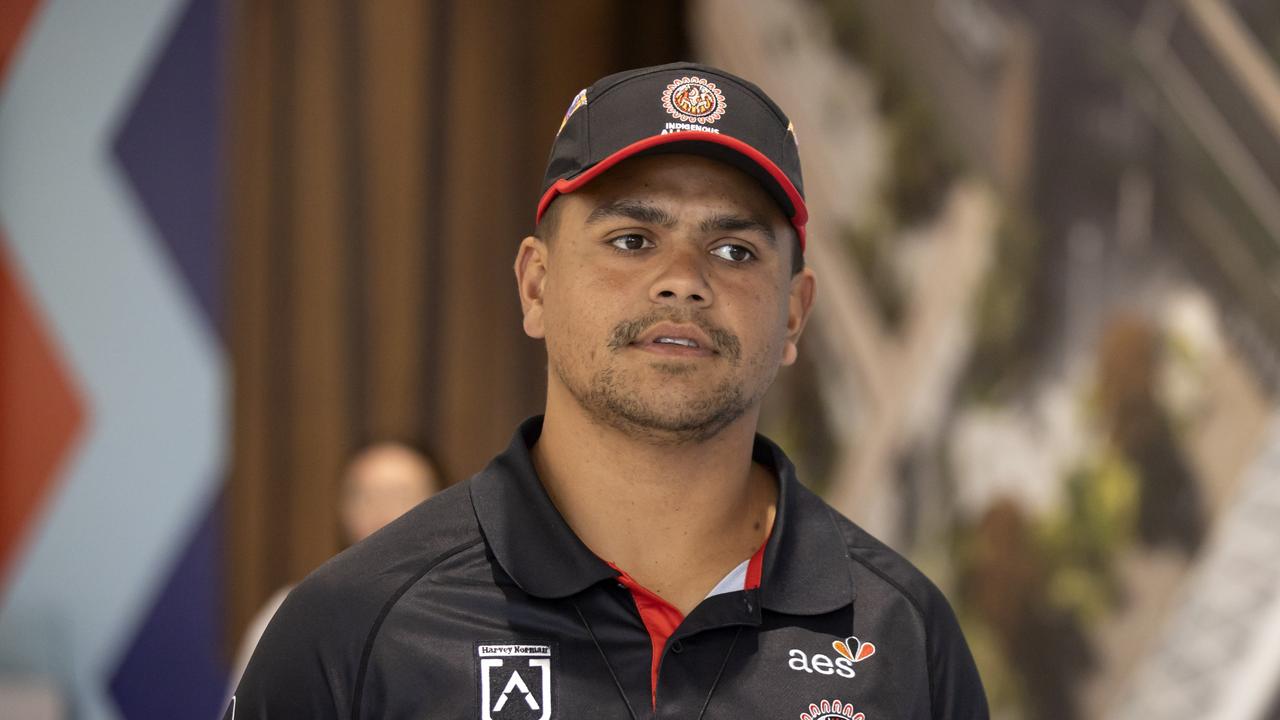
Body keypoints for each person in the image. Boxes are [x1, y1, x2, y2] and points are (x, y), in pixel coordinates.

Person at [227, 62, 988, 719]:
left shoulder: (905, 638)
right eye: (632, 240)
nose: (683, 281)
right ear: (536, 284)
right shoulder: (356, 625)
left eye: (734, 248)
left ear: (793, 313)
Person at [225, 442, 440, 697]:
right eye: (364, 495)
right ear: (342, 510)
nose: (383, 511)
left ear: (442, 506)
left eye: (400, 494)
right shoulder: (295, 608)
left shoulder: (465, 608)